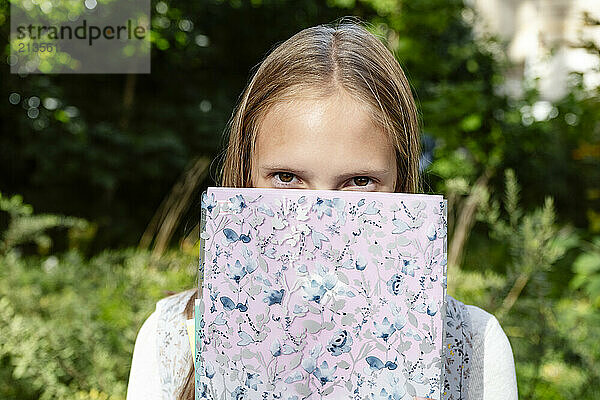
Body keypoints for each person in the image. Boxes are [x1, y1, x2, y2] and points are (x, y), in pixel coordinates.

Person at [126, 17, 518, 400]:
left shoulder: (473, 344)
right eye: (286, 178)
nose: (319, 217)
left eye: (359, 182)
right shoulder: (173, 338)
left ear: (401, 181)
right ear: (245, 174)